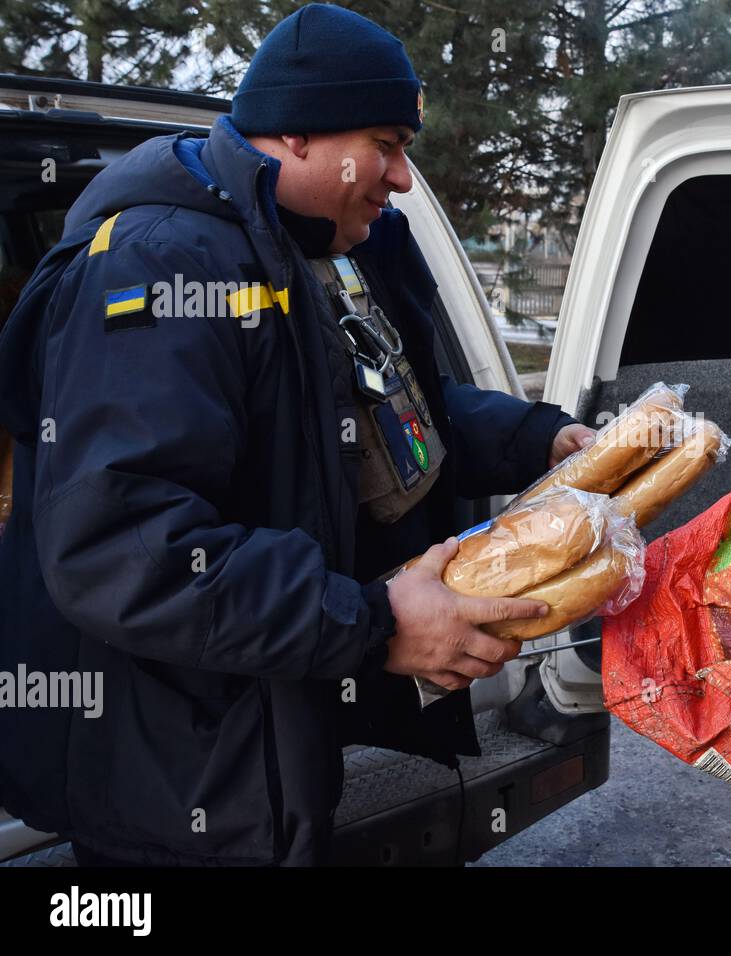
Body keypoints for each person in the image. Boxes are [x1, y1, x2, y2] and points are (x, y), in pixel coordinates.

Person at [0, 3, 593, 866]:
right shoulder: (164, 266)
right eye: (386, 145)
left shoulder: (325, 250)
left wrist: (543, 439)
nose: (400, 180)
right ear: (299, 134)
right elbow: (126, 546)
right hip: (179, 778)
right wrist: (373, 623)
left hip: (272, 736)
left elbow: (399, 421)